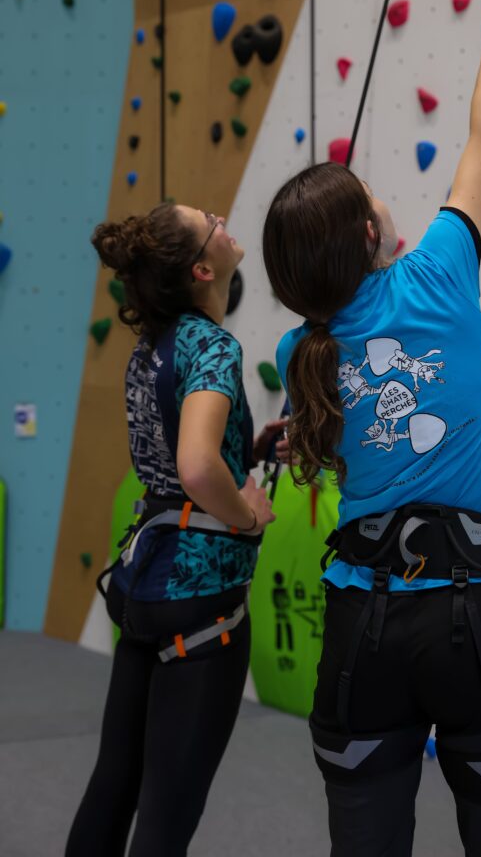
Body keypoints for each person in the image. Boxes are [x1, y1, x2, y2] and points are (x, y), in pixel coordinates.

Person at [263, 0, 481, 856]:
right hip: (473, 616)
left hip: (364, 626)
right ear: (368, 231)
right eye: (370, 196)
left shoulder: (298, 348)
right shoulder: (436, 270)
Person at [66, 202, 286, 857]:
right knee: (168, 811)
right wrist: (247, 516)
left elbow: (176, 460)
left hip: (144, 588)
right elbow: (195, 466)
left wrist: (251, 448)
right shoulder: (213, 345)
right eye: (212, 221)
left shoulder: (151, 347)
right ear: (202, 267)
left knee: (115, 782)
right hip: (199, 600)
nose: (224, 219)